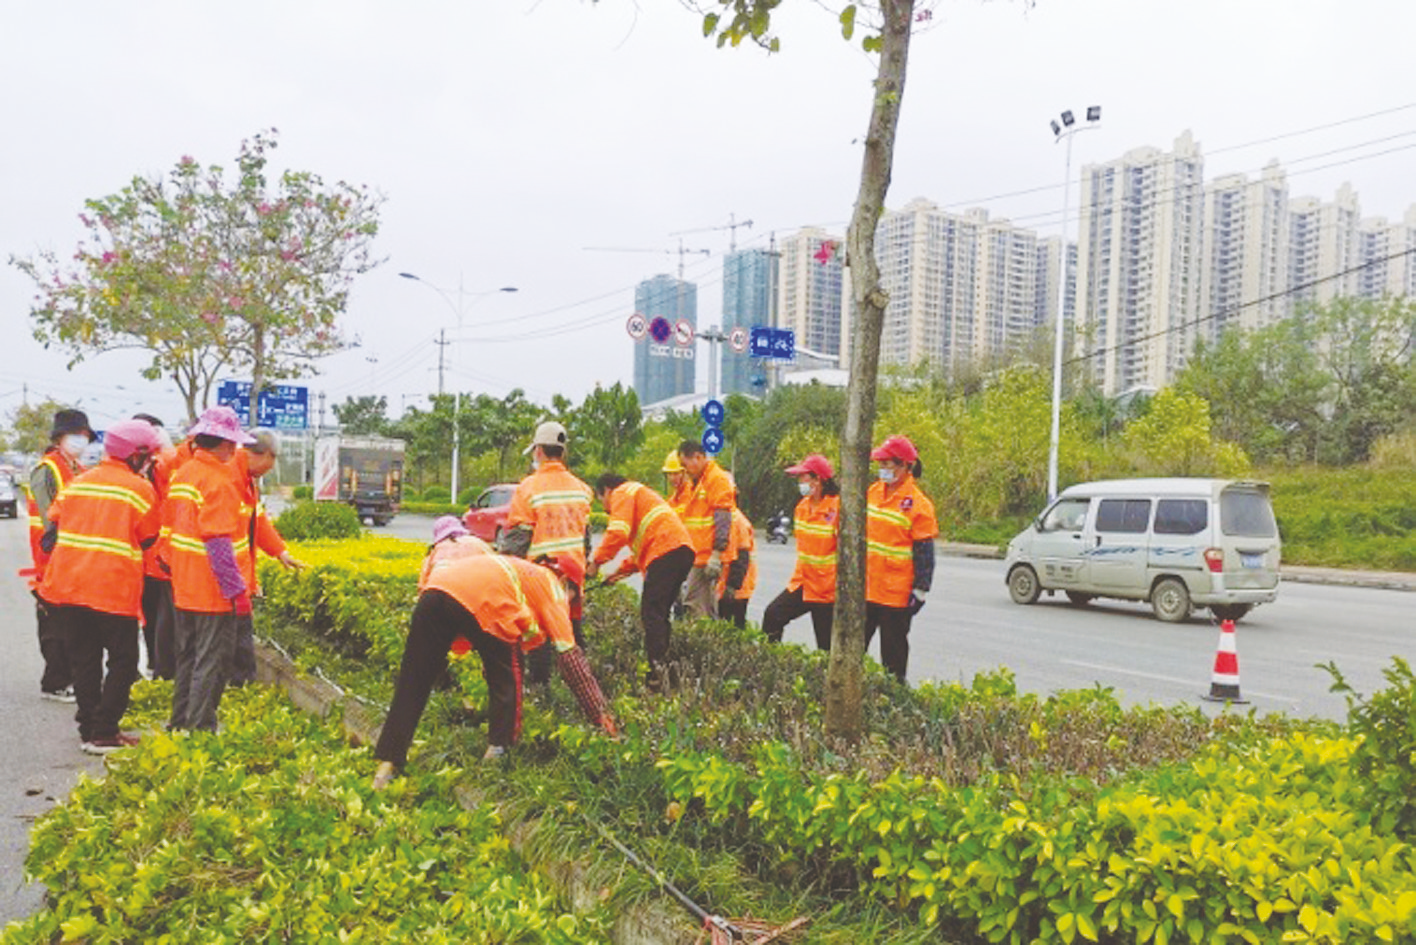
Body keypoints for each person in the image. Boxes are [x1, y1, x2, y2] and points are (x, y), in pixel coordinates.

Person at [372, 554, 616, 788]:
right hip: (481, 598)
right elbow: (572, 661)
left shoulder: (523, 572)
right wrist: (602, 718)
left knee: (413, 681)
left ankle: (387, 765)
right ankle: (498, 754)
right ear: (565, 582)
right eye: (572, 597)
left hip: (436, 590)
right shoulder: (552, 587)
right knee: (509, 677)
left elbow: (489, 645)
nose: (568, 605)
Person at [38, 421, 162, 753]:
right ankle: (105, 731)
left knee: (84, 659)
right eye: (148, 456)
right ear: (136, 456)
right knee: (123, 660)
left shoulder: (78, 482)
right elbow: (149, 537)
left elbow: (55, 516)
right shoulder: (140, 489)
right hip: (111, 590)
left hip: (68, 587)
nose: (150, 461)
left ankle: (89, 728)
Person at [163, 406, 256, 732]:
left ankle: (178, 725)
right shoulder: (219, 480)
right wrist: (237, 593)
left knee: (187, 659)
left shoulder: (184, 473)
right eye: (233, 444)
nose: (235, 450)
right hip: (212, 592)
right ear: (226, 444)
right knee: (212, 663)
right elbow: (218, 544)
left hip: (184, 586)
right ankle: (199, 730)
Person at [500, 421, 594, 682]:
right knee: (571, 635)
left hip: (539, 577)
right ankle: (584, 689)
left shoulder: (528, 488)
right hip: (572, 578)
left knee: (539, 638)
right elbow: (585, 539)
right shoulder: (582, 489)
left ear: (538, 451)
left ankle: (541, 692)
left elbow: (517, 542)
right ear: (563, 453)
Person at [587, 474, 695, 687]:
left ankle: (655, 673)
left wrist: (595, 562)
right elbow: (639, 555)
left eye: (602, 501)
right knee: (660, 614)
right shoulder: (639, 496)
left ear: (607, 491)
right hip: (679, 551)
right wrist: (615, 575)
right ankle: (662, 669)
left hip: (666, 550)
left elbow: (617, 533)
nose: (607, 509)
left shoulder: (622, 492)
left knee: (651, 613)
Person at [25, 408, 93, 703]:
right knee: (53, 623)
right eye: (76, 434)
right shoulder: (47, 469)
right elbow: (48, 518)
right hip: (50, 557)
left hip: (72, 559)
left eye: (84, 435)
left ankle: (71, 677)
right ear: (60, 437)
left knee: (71, 622)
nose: (81, 440)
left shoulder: (75, 467)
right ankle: (54, 681)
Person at [228, 432, 305, 685]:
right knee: (233, 641)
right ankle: (237, 687)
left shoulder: (247, 478)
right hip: (227, 579)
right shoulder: (230, 476)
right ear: (259, 454)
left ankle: (239, 685)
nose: (268, 471)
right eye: (269, 464)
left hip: (237, 577)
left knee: (239, 637)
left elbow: (256, 520)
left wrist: (279, 552)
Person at [864, 434, 938, 683]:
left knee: (893, 656)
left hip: (895, 595)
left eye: (887, 464)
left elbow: (925, 553)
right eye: (881, 464)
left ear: (905, 466)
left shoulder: (919, 505)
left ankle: (894, 702)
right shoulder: (873, 492)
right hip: (866, 588)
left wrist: (920, 591)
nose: (882, 469)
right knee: (853, 648)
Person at [761, 454, 840, 650]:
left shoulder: (838, 507)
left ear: (818, 479)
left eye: (803, 477)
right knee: (773, 615)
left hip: (827, 589)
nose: (799, 482)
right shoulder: (802, 508)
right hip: (804, 582)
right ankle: (770, 663)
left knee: (826, 647)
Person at [132, 414, 178, 680]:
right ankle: (158, 666)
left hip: (157, 554)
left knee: (158, 614)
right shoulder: (142, 468)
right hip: (146, 554)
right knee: (153, 614)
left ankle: (160, 667)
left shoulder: (163, 464)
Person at [675, 440, 735, 619]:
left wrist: (717, 553)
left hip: (707, 557)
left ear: (698, 458)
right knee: (702, 607)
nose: (685, 470)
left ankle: (704, 644)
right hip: (698, 555)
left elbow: (723, 517)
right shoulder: (698, 481)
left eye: (685, 465)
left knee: (695, 605)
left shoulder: (716, 479)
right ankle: (708, 643)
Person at [418, 515, 493, 590]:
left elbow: (423, 583)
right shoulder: (479, 544)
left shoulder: (437, 550)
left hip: (442, 590)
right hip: (476, 590)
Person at [716, 504, 756, 628]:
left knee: (734, 628)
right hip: (726, 586)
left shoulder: (737, 520)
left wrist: (732, 586)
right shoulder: (725, 517)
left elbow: (742, 556)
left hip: (736, 589)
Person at [661, 449, 689, 514]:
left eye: (676, 473)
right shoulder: (671, 501)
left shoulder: (693, 497)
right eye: (669, 473)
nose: (672, 478)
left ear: (685, 472)